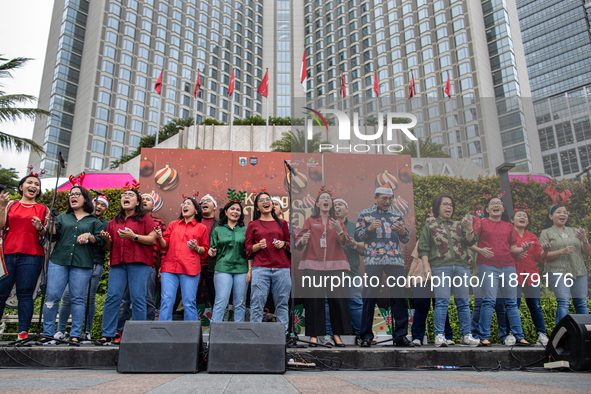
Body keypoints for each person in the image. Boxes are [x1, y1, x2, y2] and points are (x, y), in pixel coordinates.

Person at [39, 186, 105, 344]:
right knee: (52, 297)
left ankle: (75, 334)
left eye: (77, 194)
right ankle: (48, 333)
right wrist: (42, 227)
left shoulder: (94, 221)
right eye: (71, 194)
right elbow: (52, 235)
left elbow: (101, 241)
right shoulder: (62, 217)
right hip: (58, 261)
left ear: (85, 199)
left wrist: (89, 236)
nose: (73, 196)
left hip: (82, 263)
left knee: (77, 299)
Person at [96, 186, 158, 345]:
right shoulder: (114, 221)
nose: (126, 197)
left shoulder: (144, 218)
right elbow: (108, 246)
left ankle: (138, 334)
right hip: (118, 263)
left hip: (139, 263)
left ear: (137, 202)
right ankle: (107, 333)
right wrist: (107, 238)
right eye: (124, 195)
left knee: (138, 298)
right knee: (113, 298)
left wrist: (134, 236)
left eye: (130, 195)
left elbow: (152, 239)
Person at [417, 195, 480, 347]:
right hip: (440, 266)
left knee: (463, 302)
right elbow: (423, 248)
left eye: (451, 205)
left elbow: (470, 241)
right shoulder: (430, 226)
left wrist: (470, 228)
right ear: (437, 207)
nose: (449, 207)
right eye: (445, 204)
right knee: (442, 301)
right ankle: (440, 335)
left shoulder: (460, 224)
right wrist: (426, 267)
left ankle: (466, 335)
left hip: (461, 266)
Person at [470, 195, 533, 347]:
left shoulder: (509, 226)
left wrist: (522, 249)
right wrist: (480, 250)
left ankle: (519, 336)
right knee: (489, 301)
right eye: (492, 204)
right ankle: (484, 337)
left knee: (511, 302)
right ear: (487, 209)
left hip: (508, 265)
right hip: (487, 265)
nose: (496, 205)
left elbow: (512, 249)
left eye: (499, 203)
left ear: (503, 209)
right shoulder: (481, 223)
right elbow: (468, 242)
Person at [355, 186, 413, 347]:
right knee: (369, 296)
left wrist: (402, 231)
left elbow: (406, 238)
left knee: (399, 297)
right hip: (374, 259)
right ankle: (366, 336)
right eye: (384, 198)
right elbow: (357, 235)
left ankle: (400, 336)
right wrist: (369, 228)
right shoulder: (365, 214)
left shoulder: (397, 215)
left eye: (390, 199)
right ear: (375, 197)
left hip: (395, 260)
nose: (387, 202)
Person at [296, 188, 352, 347]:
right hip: (313, 266)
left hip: (335, 266)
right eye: (323, 198)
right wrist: (304, 239)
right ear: (318, 203)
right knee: (314, 301)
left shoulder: (338, 221)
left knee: (338, 301)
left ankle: (337, 335)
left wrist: (340, 230)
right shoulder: (310, 220)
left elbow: (344, 241)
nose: (326, 200)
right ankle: (314, 335)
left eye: (328, 198)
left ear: (331, 203)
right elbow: (299, 244)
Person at [0, 173, 48, 341]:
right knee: (1, 292)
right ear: (21, 186)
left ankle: (23, 334)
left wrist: (40, 227)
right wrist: (1, 206)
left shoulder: (43, 209)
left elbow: (47, 233)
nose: (33, 186)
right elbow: (1, 225)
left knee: (25, 295)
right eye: (30, 182)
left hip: (32, 256)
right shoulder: (10, 204)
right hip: (7, 253)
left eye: (37, 184)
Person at [55, 195, 109, 341]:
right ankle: (60, 330)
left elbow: (106, 245)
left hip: (95, 263)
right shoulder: (77, 218)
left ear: (106, 209)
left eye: (103, 205)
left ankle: (86, 331)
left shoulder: (105, 223)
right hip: (76, 262)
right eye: (96, 203)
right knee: (67, 296)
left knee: (88, 298)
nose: (98, 206)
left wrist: (100, 238)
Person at [115, 192, 166, 342]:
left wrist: (160, 267)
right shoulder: (125, 220)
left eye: (148, 200)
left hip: (148, 264)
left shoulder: (158, 222)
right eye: (142, 199)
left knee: (148, 299)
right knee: (124, 299)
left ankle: (145, 330)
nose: (144, 201)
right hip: (126, 264)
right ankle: (121, 332)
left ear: (153, 205)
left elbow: (162, 247)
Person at [245, 189, 291, 336]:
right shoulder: (253, 224)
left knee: (282, 304)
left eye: (268, 199)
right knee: (257, 303)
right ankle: (255, 336)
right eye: (262, 200)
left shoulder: (282, 223)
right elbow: (247, 248)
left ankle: (282, 337)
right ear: (257, 207)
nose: (266, 202)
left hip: (282, 269)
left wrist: (283, 244)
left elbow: (291, 244)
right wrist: (258, 246)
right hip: (260, 269)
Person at [406, 211, 455, 347]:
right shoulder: (422, 239)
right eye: (429, 220)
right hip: (421, 278)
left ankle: (446, 336)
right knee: (421, 307)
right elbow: (416, 261)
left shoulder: (446, 239)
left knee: (441, 306)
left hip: (440, 278)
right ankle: (417, 338)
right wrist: (408, 278)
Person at [157, 195, 209, 321]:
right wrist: (159, 237)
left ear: (196, 210)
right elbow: (164, 246)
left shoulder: (202, 228)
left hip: (190, 269)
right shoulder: (173, 224)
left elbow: (205, 250)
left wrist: (196, 248)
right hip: (169, 268)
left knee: (189, 302)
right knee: (166, 301)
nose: (185, 205)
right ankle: (161, 334)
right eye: (183, 204)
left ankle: (190, 337)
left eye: (188, 203)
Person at [322, 197, 364, 346]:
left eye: (341, 205)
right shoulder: (324, 225)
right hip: (330, 272)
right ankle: (328, 336)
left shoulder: (356, 227)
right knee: (328, 304)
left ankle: (362, 335)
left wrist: (353, 244)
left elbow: (365, 249)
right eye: (335, 205)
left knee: (355, 303)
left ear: (347, 209)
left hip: (351, 272)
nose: (338, 207)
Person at [540, 203, 590, 325]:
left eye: (565, 212)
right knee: (563, 302)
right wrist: (562, 251)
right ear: (551, 216)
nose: (563, 214)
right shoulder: (546, 233)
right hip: (557, 271)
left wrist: (585, 240)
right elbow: (542, 256)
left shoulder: (575, 231)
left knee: (582, 303)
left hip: (579, 271)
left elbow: (588, 252)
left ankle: (586, 334)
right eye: (559, 212)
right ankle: (561, 336)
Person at [511, 205, 551, 346]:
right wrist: (515, 252)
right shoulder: (508, 235)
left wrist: (545, 251)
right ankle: (512, 333)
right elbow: (502, 252)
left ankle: (541, 334)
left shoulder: (532, 237)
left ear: (527, 222)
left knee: (535, 305)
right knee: (513, 304)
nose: (522, 217)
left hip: (531, 273)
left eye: (525, 217)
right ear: (512, 220)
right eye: (519, 215)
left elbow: (540, 258)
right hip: (514, 272)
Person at [210, 195, 248, 322]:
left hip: (242, 270)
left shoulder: (245, 230)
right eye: (232, 209)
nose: (235, 212)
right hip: (223, 269)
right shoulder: (217, 230)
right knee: (221, 301)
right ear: (226, 212)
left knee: (240, 303)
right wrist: (212, 252)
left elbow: (249, 251)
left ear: (241, 214)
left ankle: (239, 335)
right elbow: (212, 249)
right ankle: (214, 337)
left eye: (238, 210)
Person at [199, 194, 220, 309]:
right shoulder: (195, 222)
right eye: (202, 201)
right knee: (194, 295)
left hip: (214, 265)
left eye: (208, 201)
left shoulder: (221, 223)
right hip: (196, 264)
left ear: (215, 206)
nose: (204, 202)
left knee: (215, 295)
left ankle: (217, 323)